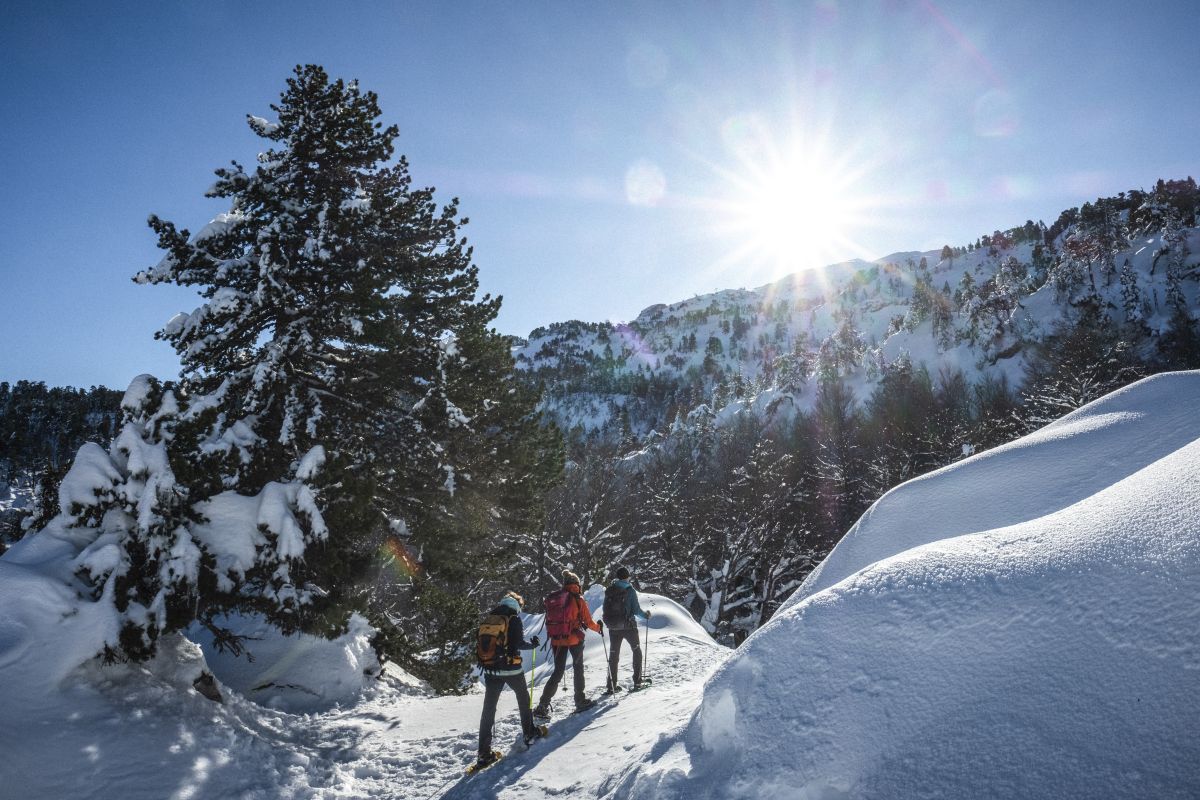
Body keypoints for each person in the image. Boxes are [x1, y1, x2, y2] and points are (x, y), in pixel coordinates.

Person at [475, 591, 545, 770]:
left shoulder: (491, 617)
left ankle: (483, 754)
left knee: (488, 710)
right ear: (517, 605)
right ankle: (529, 733)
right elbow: (517, 644)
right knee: (523, 699)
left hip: (491, 669)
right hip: (511, 669)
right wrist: (533, 645)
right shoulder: (513, 619)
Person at [534, 570, 602, 718]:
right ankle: (580, 701)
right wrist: (599, 628)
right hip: (574, 639)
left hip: (557, 639)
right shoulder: (578, 599)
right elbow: (589, 622)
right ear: (577, 584)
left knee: (557, 672)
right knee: (578, 669)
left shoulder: (555, 598)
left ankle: (542, 705)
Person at [602, 566, 651, 693]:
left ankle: (611, 685)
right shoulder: (630, 590)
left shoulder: (610, 590)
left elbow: (604, 609)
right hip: (628, 626)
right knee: (636, 650)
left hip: (613, 627)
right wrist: (645, 615)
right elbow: (635, 610)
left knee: (614, 655)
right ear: (627, 577)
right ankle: (637, 682)